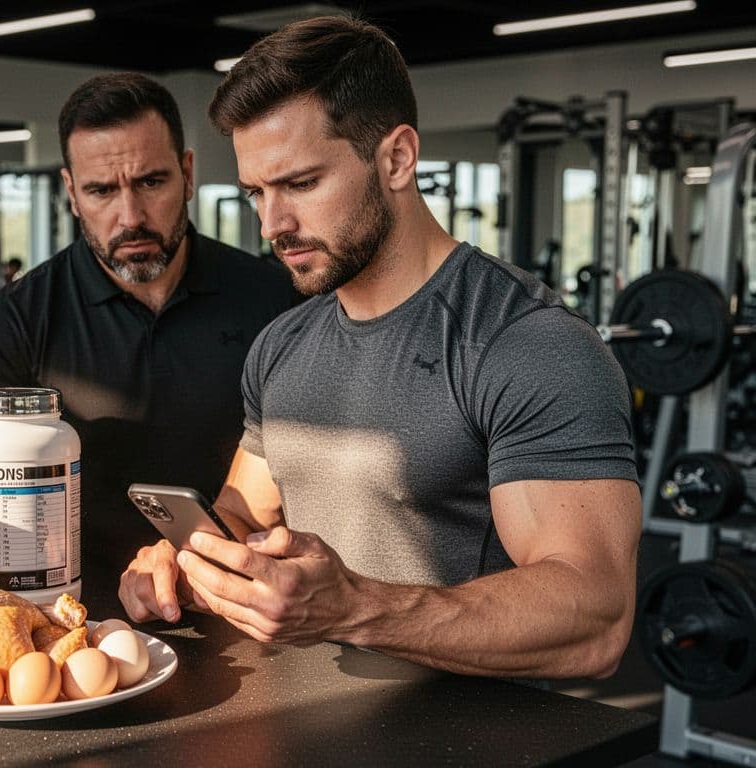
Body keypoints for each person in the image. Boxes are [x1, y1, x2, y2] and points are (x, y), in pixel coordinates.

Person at [119, 16, 641, 680]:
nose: (272, 223)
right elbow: (243, 514)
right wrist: (185, 557)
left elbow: (596, 617)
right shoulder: (283, 344)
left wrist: (355, 608)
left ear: (396, 158)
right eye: (257, 191)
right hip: (306, 730)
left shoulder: (525, 344)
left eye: (302, 184)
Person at [0, 73, 296, 604]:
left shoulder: (277, 301)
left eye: (151, 182)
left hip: (243, 610)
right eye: (101, 190)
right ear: (71, 193)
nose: (130, 216)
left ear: (186, 173)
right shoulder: (10, 325)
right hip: (74, 627)